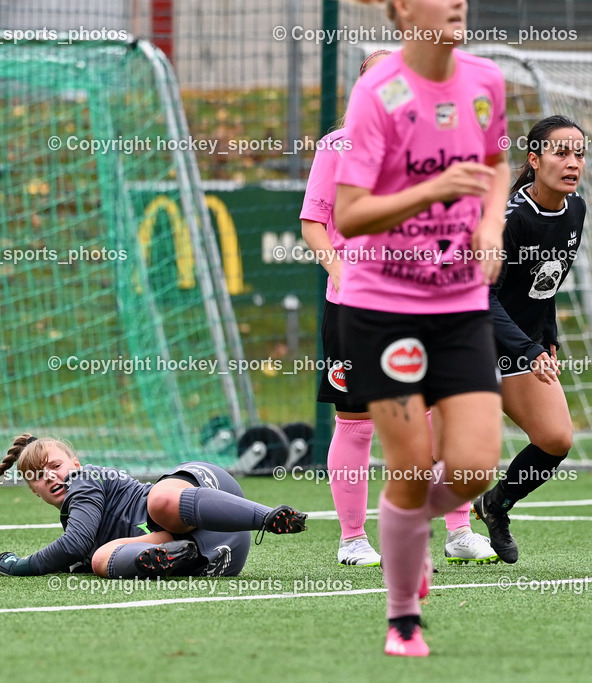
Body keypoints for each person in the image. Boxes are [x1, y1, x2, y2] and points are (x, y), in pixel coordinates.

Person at [334, 0, 510, 656]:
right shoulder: (377, 94)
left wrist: (489, 225)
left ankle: (405, 526)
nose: (458, 2)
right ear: (404, 9)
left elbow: (495, 165)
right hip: (384, 308)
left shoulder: (486, 80)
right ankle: (402, 615)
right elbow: (349, 214)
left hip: (460, 305)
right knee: (409, 466)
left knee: (474, 468)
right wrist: (432, 190)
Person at [301, 49, 496, 568]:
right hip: (355, 307)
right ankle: (352, 539)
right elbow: (314, 222)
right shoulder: (337, 146)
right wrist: (338, 270)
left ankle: (458, 530)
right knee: (357, 423)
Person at [0, 435, 306, 579]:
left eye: (55, 466)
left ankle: (269, 517)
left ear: (76, 464)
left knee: (159, 501)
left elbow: (73, 545)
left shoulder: (85, 480)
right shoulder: (75, 515)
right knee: (100, 559)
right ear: (34, 491)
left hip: (218, 500)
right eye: (36, 476)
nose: (49, 477)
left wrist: (19, 565)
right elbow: (78, 550)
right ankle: (182, 558)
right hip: (218, 555)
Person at [473, 115, 586, 563]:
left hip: (521, 344)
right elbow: (482, 297)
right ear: (534, 160)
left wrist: (547, 334)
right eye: (561, 153)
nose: (573, 162)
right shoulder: (511, 219)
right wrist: (529, 348)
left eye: (579, 154)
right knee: (457, 452)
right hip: (469, 340)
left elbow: (546, 281)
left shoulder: (575, 209)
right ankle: (405, 538)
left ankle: (496, 505)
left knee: (556, 438)